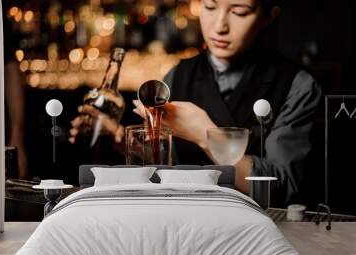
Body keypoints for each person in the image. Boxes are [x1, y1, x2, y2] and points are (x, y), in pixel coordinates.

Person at [70, 0, 322, 207]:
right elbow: (164, 167)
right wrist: (120, 137)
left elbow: (283, 189)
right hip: (184, 216)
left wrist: (205, 135)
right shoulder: (178, 75)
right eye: (210, 7)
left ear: (269, 16)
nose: (220, 26)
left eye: (239, 11)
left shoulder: (296, 85)